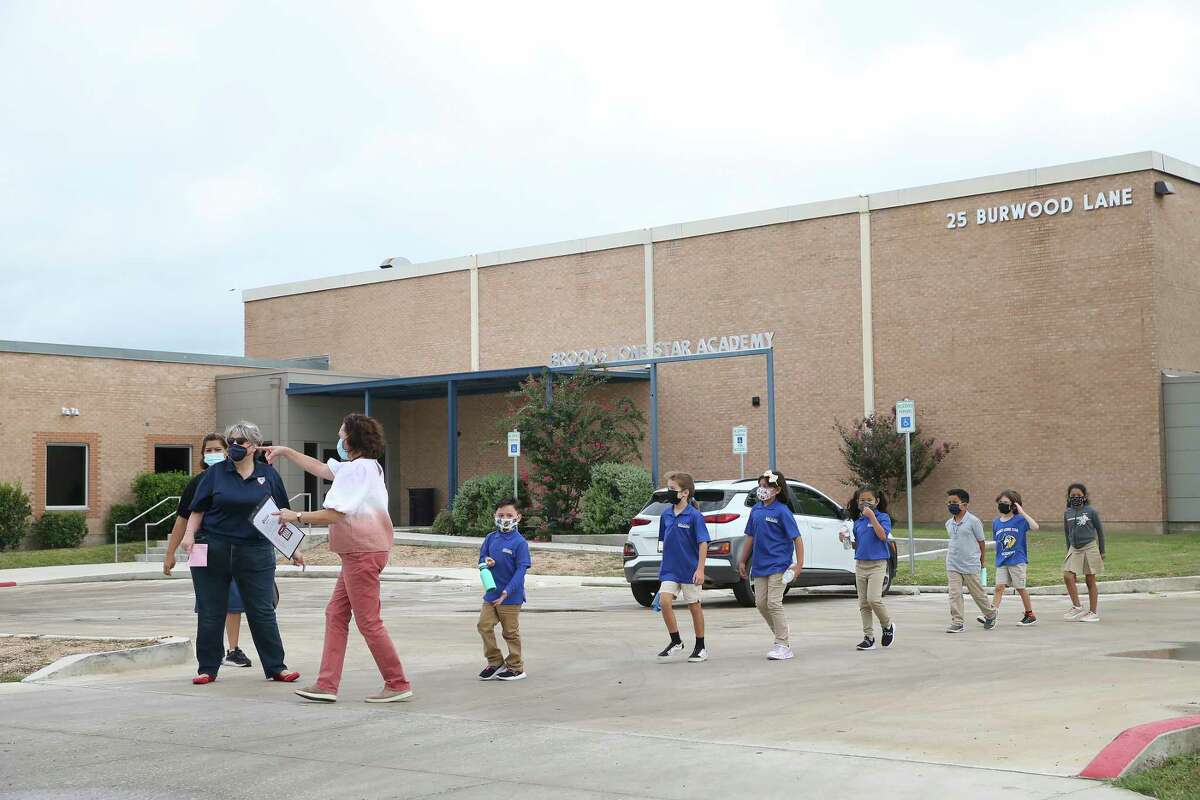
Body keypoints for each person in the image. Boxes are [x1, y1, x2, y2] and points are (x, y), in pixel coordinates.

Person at [264, 414, 413, 703]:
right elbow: (320, 467)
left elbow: (335, 513)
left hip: (361, 552)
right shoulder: (362, 467)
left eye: (341, 434)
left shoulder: (358, 470)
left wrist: (294, 515)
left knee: (368, 621)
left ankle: (397, 682)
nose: (339, 439)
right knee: (336, 614)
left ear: (352, 439)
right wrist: (285, 451)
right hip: (360, 552)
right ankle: (327, 684)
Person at [183, 421, 303, 685]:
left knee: (262, 610)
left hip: (256, 550)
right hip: (214, 548)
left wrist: (293, 549)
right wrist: (189, 536)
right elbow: (197, 510)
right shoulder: (215, 474)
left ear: (254, 446)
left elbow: (283, 514)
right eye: (232, 441)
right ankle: (208, 668)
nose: (235, 445)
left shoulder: (269, 475)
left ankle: (276, 667)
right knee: (210, 609)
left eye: (241, 441)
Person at [163, 433, 252, 668]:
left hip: (233, 546)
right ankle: (211, 654)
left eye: (217, 449)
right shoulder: (198, 482)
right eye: (208, 450)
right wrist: (170, 554)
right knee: (208, 602)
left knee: (234, 598)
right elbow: (182, 520)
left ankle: (233, 650)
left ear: (227, 451)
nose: (212, 454)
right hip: (201, 546)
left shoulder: (237, 478)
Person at [738, 470, 804, 661]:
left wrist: (799, 564)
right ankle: (781, 633)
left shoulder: (782, 511)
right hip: (759, 565)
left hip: (779, 564)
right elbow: (750, 537)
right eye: (760, 486)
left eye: (766, 486)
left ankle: (783, 645)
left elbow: (797, 538)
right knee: (760, 603)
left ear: (777, 490)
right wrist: (742, 560)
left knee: (774, 603)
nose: (762, 490)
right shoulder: (756, 510)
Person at [655, 471, 709, 663]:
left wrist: (700, 569)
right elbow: (664, 543)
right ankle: (676, 641)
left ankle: (700, 647)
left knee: (694, 607)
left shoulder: (694, 516)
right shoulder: (666, 515)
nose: (669, 492)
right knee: (664, 602)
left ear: (685, 493)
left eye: (672, 489)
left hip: (690, 570)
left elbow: (703, 543)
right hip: (670, 570)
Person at [476, 498, 532, 682]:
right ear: (495, 516)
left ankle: (516, 667)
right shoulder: (491, 538)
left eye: (509, 515)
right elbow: (481, 559)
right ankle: (495, 662)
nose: (505, 519)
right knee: (484, 626)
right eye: (501, 515)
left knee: (510, 633)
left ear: (518, 517)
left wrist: (507, 592)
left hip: (510, 597)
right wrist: (486, 562)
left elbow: (521, 570)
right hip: (491, 594)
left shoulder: (520, 543)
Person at [843, 487, 895, 651]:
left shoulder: (883, 517)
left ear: (877, 502)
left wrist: (872, 517)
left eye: (869, 500)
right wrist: (845, 541)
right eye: (861, 500)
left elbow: (882, 536)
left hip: (878, 564)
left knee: (874, 599)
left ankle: (887, 625)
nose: (865, 503)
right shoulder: (858, 522)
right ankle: (868, 637)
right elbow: (859, 545)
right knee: (864, 603)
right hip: (861, 564)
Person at [944, 489, 996, 634]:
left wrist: (982, 561)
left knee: (977, 593)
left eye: (954, 502)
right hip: (952, 563)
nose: (950, 505)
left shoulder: (973, 521)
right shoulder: (949, 523)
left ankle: (990, 614)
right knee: (954, 594)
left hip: (970, 563)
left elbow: (981, 542)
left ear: (964, 504)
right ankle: (957, 622)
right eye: (949, 502)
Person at [985, 490, 1039, 626]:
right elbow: (997, 542)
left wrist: (1022, 512)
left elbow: (1035, 527)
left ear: (1014, 505)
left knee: (1020, 587)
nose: (1002, 505)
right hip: (1002, 561)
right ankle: (992, 615)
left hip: (1017, 560)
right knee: (998, 587)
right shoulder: (996, 522)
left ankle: (1030, 614)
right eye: (1001, 502)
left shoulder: (1020, 520)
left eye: (1006, 503)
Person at [1062, 482, 1105, 622]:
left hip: (1090, 547)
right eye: (1072, 495)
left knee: (1090, 579)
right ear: (1068, 497)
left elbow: (1100, 531)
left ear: (1084, 497)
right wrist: (1068, 550)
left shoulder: (1091, 511)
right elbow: (1067, 533)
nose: (1075, 497)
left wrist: (1102, 550)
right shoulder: (1067, 513)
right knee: (1068, 576)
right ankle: (1077, 606)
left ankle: (1093, 612)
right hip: (1074, 548)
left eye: (1078, 495)